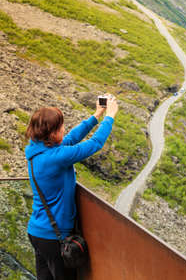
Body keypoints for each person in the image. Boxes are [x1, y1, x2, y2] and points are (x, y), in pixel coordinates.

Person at [24, 96, 118, 280]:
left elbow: (70, 138)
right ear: (51, 134)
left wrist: (96, 115)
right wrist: (110, 117)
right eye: (60, 127)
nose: (64, 130)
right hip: (54, 238)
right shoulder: (55, 157)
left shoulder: (37, 149)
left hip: (37, 232)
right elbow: (94, 144)